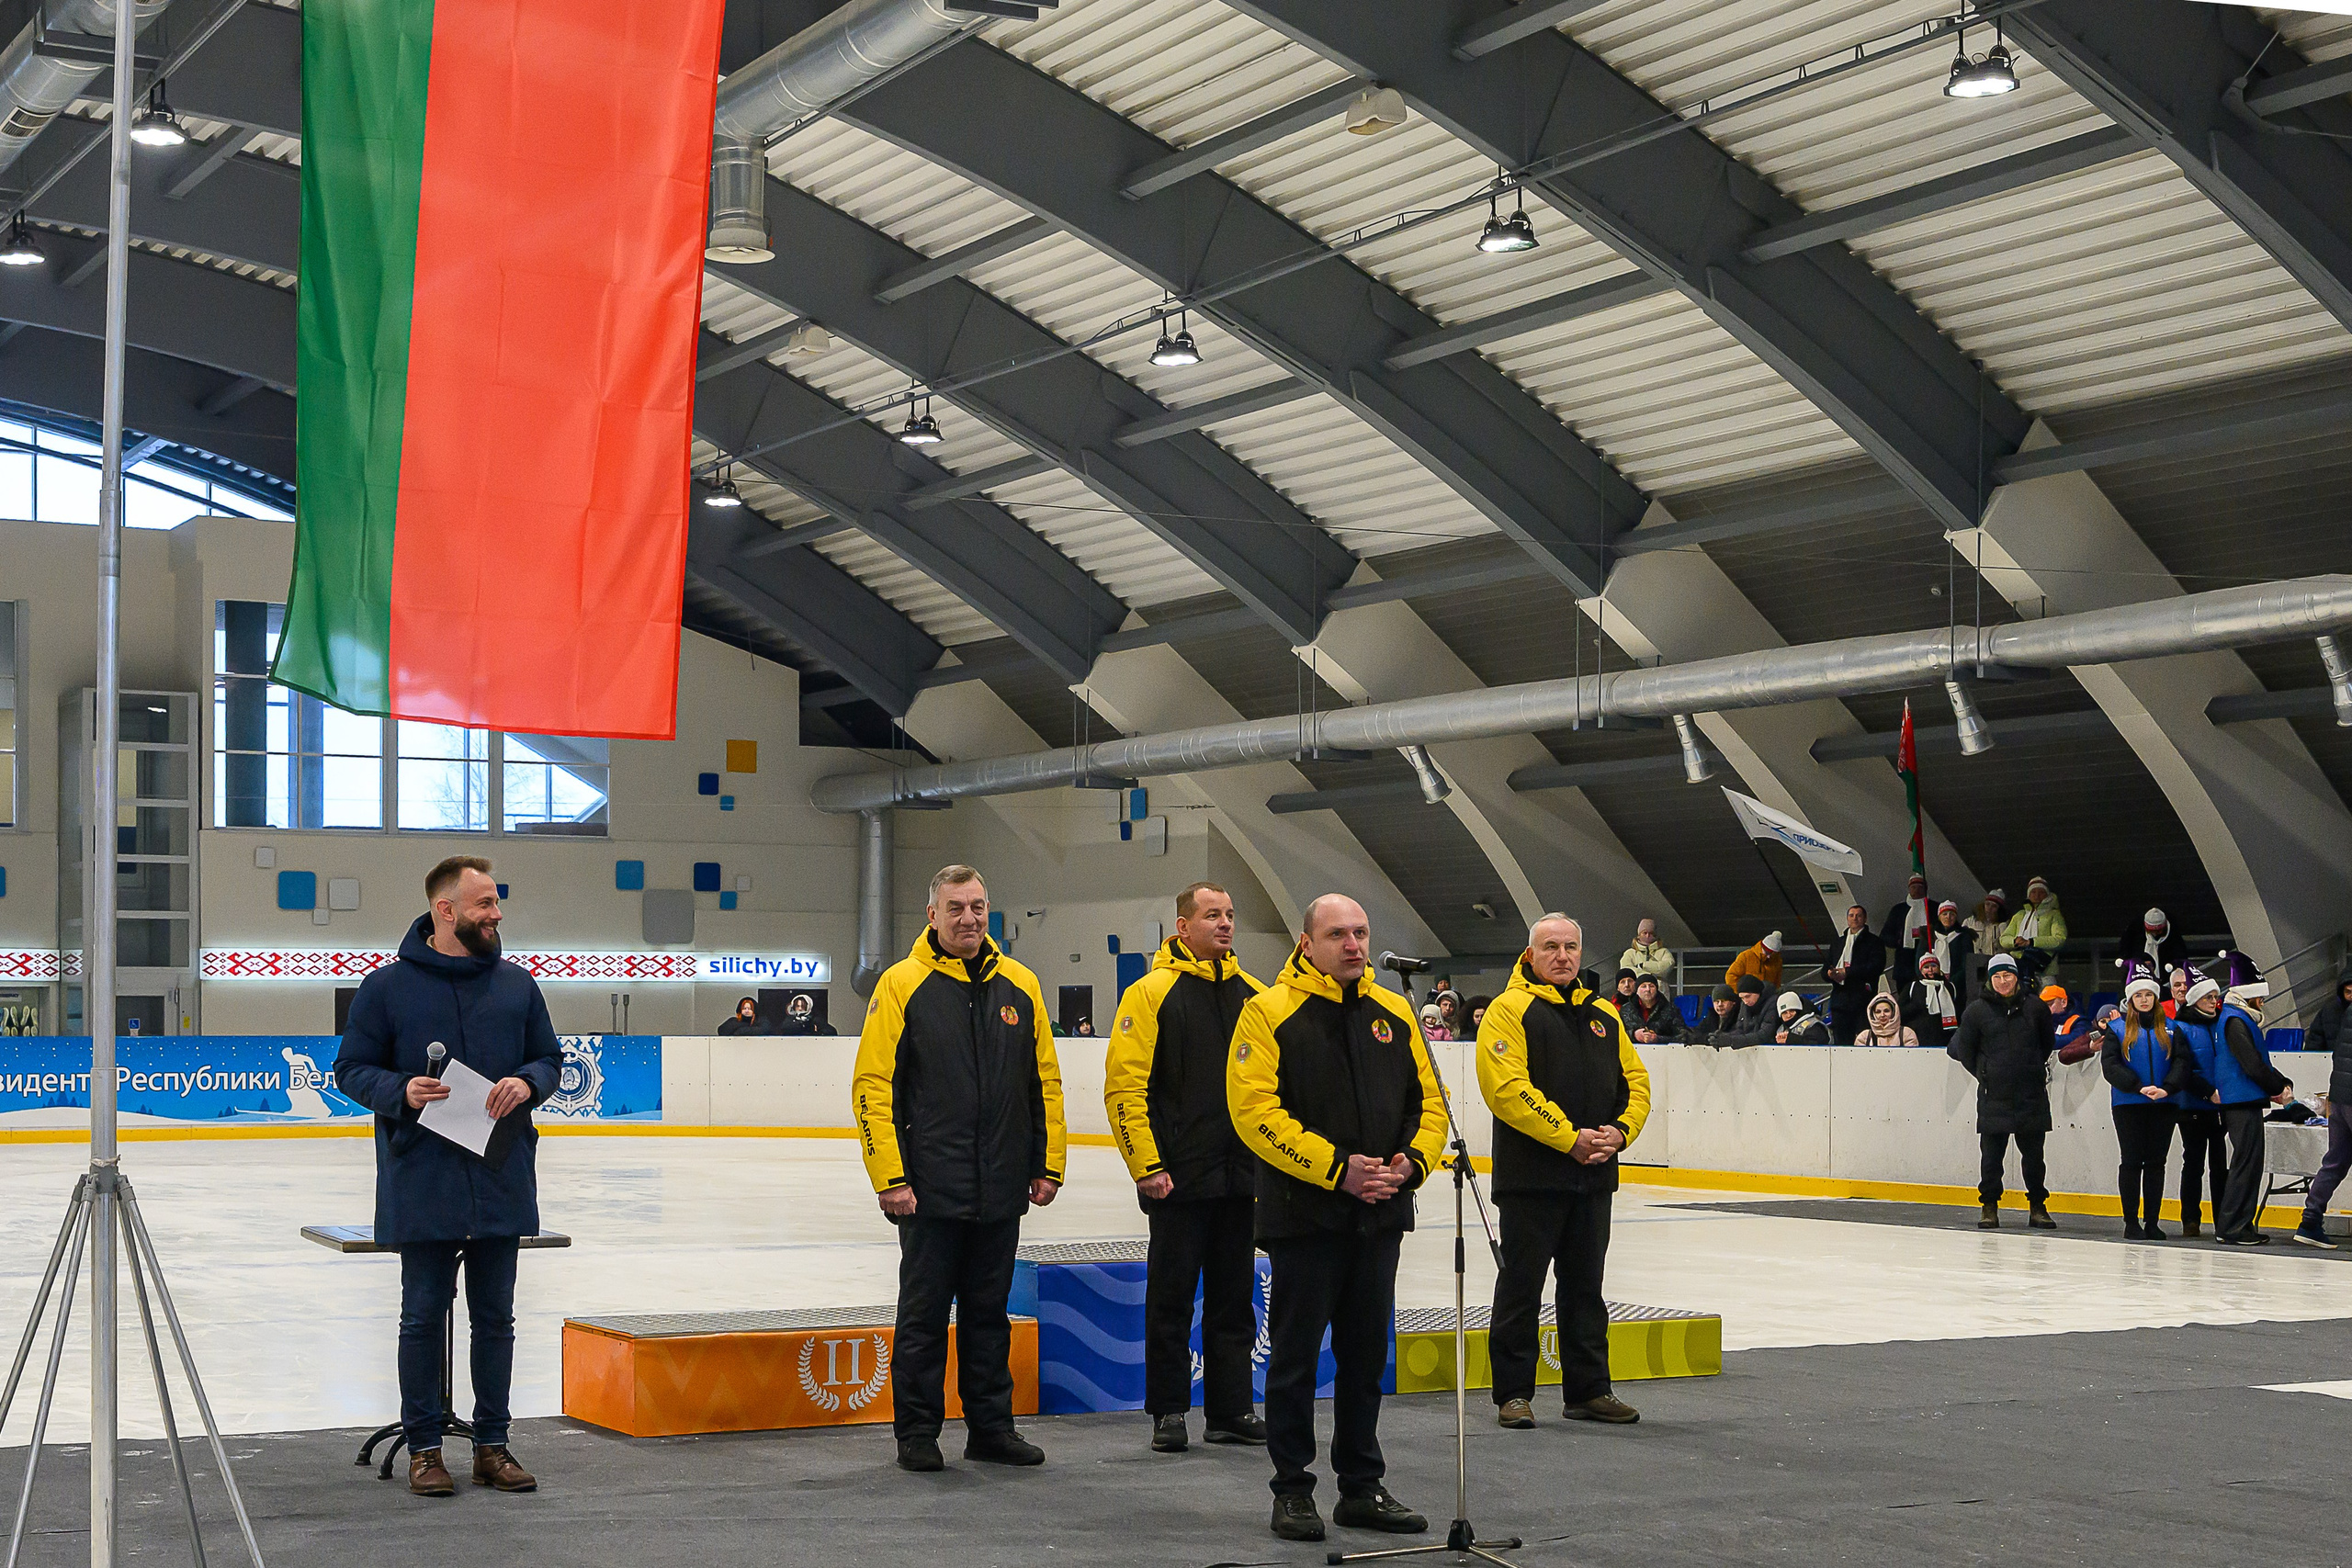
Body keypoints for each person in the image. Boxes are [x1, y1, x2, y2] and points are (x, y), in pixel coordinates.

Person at [333, 855, 562, 1498]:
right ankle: (425, 1448)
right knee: (421, 1317)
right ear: (446, 910)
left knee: (496, 1318)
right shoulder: (387, 988)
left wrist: (528, 1080)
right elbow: (349, 1069)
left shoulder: (519, 986)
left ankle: (493, 1444)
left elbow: (551, 1058)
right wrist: (400, 1088)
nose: (496, 914)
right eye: (484, 903)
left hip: (500, 1177)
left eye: (495, 903)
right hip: (423, 1177)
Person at [1227, 894, 1445, 1544]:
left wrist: (1411, 1162)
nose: (1353, 943)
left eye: (1361, 931)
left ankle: (1361, 1486)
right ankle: (1292, 1489)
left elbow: (1429, 1103)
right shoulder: (1268, 1012)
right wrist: (1337, 1167)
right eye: (1337, 933)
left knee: (1364, 1356)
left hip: (1380, 1214)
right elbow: (1256, 1112)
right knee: (1295, 1358)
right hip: (1305, 1216)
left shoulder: (1394, 1012)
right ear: (1306, 942)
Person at [853, 864, 1066, 1472]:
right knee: (922, 1319)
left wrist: (1047, 1163)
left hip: (1000, 1185)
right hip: (927, 1190)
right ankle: (917, 1434)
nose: (968, 917)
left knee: (988, 1315)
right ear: (933, 916)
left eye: (977, 906)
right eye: (955, 907)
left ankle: (991, 1429)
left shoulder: (1021, 985)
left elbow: (1042, 1080)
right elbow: (873, 1085)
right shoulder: (900, 984)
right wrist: (890, 1175)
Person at [1103, 883, 1269, 1453]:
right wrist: (1146, 1165)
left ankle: (1231, 1409)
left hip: (1242, 1179)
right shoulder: (1150, 994)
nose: (1225, 924)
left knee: (1234, 1301)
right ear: (1182, 926)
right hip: (1176, 1177)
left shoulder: (1256, 995)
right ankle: (1168, 1410)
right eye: (1211, 915)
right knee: (1170, 1300)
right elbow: (1125, 1089)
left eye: (1229, 914)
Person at [1478, 914, 1651, 1433]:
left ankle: (1589, 1389)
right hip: (1533, 1179)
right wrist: (1568, 1137)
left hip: (1595, 1176)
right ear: (1529, 955)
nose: (1562, 956)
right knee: (1521, 1287)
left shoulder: (1604, 1014)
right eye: (1550, 947)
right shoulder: (1508, 1011)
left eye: (1571, 947)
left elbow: (1635, 1082)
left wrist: (1620, 1132)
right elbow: (1507, 1091)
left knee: (1585, 1288)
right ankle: (1513, 1393)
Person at [2176, 954, 2292, 1245]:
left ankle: (2241, 1224)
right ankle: (2231, 1227)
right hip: (2241, 1101)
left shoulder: (2232, 1019)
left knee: (2248, 1164)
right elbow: (2252, 1064)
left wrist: (2279, 1084)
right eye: (2260, 998)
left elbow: (2256, 1061)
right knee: (2244, 1164)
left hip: (2245, 1100)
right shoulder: (2234, 1020)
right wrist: (2278, 1088)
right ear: (2250, 997)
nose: (2263, 1004)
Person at [1949, 953, 2058, 1231]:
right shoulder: (1976, 1011)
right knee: (1991, 1159)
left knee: (2034, 1159)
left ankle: (2037, 1207)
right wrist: (1985, 1073)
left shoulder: (2035, 1008)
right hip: (1993, 1096)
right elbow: (1964, 1050)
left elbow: (2046, 1045)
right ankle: (1989, 1207)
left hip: (2030, 1096)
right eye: (1996, 976)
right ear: (1990, 979)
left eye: (2007, 975)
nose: (2002, 981)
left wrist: (2031, 1069)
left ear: (2016, 977)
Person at [2100, 964, 2181, 1241]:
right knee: (2132, 1161)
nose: (2144, 999)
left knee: (2157, 1162)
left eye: (2149, 994)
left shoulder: (2172, 1028)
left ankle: (2153, 1221)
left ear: (2156, 998)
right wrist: (2138, 1086)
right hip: (2128, 1104)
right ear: (2131, 999)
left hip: (2164, 1103)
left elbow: (2182, 1062)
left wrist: (2167, 1088)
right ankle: (2131, 1221)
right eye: (2139, 995)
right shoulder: (2117, 1029)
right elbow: (2110, 1065)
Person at [2294, 965, 2352, 1248]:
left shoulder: (2347, 1012)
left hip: (2339, 1100)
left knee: (2335, 1162)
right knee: (2335, 1162)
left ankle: (2310, 1221)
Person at [1824, 905, 1887, 1045]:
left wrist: (1848, 972)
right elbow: (1825, 968)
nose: (1855, 918)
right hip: (1840, 1002)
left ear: (1864, 919)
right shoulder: (1838, 942)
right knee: (1841, 1043)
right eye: (1851, 915)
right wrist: (1830, 974)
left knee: (1865, 1041)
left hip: (1862, 1000)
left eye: (1858, 915)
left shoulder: (1874, 942)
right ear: (1847, 919)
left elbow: (1876, 967)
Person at [1999, 876, 2067, 983]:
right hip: (2021, 968)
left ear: (2047, 895)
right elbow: (2004, 939)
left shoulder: (2054, 915)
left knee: (2047, 998)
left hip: (2045, 970)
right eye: (2033, 892)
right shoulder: (2019, 916)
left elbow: (2059, 939)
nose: (2037, 896)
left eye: (2041, 892)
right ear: (2028, 895)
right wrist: (2015, 941)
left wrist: (2032, 942)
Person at [1903, 951, 1962, 1055]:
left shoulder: (1949, 987)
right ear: (1921, 970)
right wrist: (1916, 1006)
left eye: (1933, 966)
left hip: (1946, 1037)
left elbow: (1960, 1009)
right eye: (1926, 967)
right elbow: (1902, 1011)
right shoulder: (1913, 987)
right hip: (1919, 1037)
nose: (1930, 970)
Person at [1880, 874, 1930, 990]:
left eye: (1920, 887)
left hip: (1929, 961)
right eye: (1913, 887)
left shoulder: (1933, 908)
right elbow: (1885, 935)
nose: (1916, 890)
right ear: (1909, 889)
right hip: (1904, 964)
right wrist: (1898, 940)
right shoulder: (1898, 910)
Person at [2117, 908, 2188, 987]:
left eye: (2159, 931)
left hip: (2165, 979)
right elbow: (2125, 950)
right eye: (2152, 931)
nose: (2156, 934)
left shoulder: (2174, 937)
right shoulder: (2133, 934)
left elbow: (2181, 956)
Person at [1928, 900, 1970, 1008]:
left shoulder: (1964, 936)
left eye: (1952, 914)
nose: (1948, 917)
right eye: (1944, 914)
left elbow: (1966, 963)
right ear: (1939, 916)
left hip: (1956, 984)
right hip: (1931, 982)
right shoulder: (1929, 935)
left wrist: (1953, 981)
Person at [1697, 984, 1761, 1049]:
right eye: (1716, 1001)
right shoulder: (1711, 1016)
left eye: (1723, 1001)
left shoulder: (1739, 1017)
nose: (1720, 1005)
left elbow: (1737, 1034)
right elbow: (1699, 1032)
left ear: (1733, 1002)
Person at [1623, 974, 1684, 1043]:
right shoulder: (1626, 1010)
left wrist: (1658, 1039)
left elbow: (1684, 1036)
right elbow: (1616, 1035)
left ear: (1657, 989)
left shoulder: (1670, 1010)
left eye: (1651, 986)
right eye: (1643, 986)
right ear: (1636, 990)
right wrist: (1633, 1035)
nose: (1648, 989)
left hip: (1663, 1052)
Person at [1619, 919, 1674, 986]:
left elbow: (1667, 967)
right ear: (1639, 935)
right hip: (1637, 992)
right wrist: (1649, 975)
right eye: (1645, 933)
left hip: (1660, 992)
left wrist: (1642, 966)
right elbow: (1626, 971)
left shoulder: (1664, 952)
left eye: (1651, 933)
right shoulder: (1630, 953)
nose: (1647, 936)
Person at [1725, 931, 1783, 995]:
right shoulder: (1746, 956)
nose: (1769, 956)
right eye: (1767, 952)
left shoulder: (1777, 961)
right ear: (1762, 947)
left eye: (1773, 954)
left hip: (1766, 997)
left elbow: (1777, 982)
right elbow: (1731, 976)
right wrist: (1742, 994)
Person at [1962, 890, 2008, 970]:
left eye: (1994, 906)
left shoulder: (2003, 925)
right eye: (1987, 904)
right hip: (1976, 962)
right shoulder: (1970, 922)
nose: (1989, 909)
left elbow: (2007, 946)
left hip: (1996, 962)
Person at [1855, 992, 1919, 1047]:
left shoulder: (1907, 1034)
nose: (1882, 1015)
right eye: (1878, 1012)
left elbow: (1911, 1059)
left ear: (1894, 1012)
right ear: (1873, 1014)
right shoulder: (1864, 1037)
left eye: (1886, 1011)